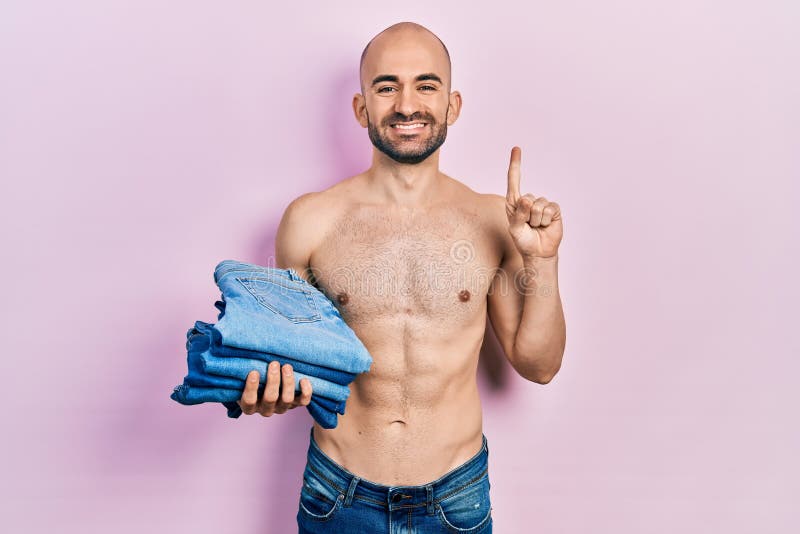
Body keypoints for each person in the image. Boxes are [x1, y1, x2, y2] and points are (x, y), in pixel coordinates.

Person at [237, 21, 566, 533]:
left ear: (452, 106)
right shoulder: (310, 221)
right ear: (361, 107)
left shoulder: (490, 220)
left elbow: (538, 365)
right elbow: (288, 364)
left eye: (426, 85)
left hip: (455, 496)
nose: (407, 104)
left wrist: (542, 260)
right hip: (338, 491)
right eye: (386, 86)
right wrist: (264, 391)